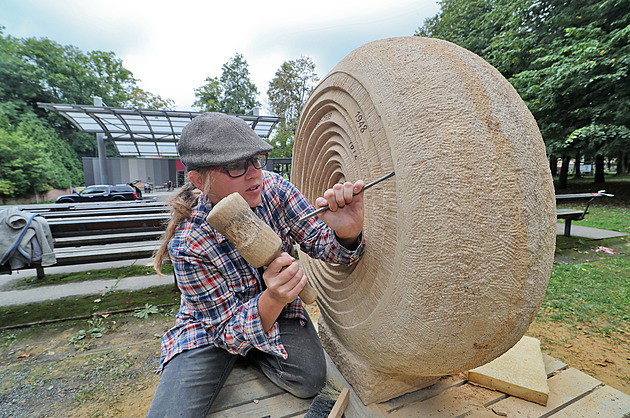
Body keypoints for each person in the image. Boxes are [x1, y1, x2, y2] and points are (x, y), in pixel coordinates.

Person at [147, 112, 365, 417]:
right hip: (212, 327)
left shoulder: (275, 189)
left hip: (279, 312)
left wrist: (347, 232)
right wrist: (272, 296)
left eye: (256, 160)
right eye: (236, 166)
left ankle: (254, 348)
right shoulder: (187, 243)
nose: (254, 175)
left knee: (310, 381)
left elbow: (327, 246)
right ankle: (245, 348)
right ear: (198, 180)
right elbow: (224, 330)